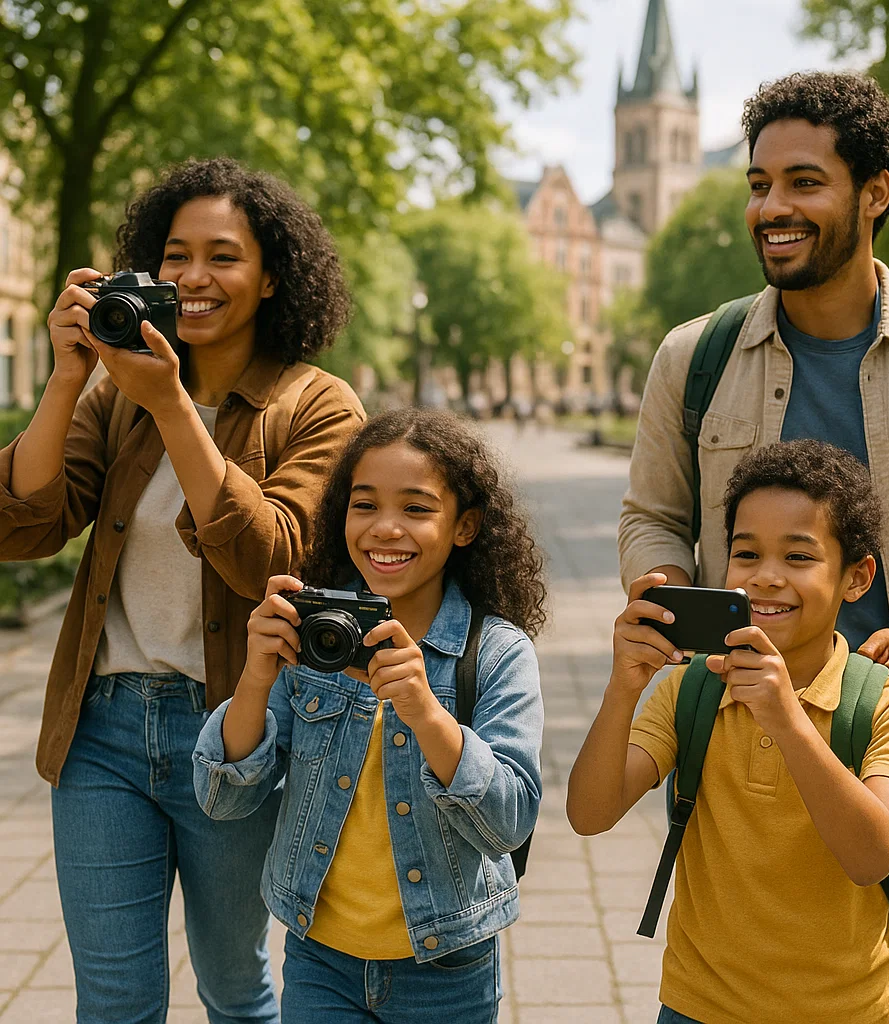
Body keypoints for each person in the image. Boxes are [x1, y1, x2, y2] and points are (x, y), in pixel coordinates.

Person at [617, 72, 889, 1021]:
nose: (773, 208)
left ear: (874, 191)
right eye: (760, 185)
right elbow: (650, 517)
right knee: (736, 965)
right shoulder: (695, 356)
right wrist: (675, 602)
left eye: (804, 182)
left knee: (883, 975)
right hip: (728, 724)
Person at [0, 157, 365, 1023]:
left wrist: (171, 405)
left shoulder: (317, 405)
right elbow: (23, 528)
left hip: (233, 733)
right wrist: (66, 375)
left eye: (223, 256)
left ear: (272, 275)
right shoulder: (112, 395)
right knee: (115, 1000)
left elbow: (269, 557)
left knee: (234, 986)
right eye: (175, 255)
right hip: (100, 731)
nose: (193, 277)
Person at [192, 408, 545, 1023]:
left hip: (447, 965)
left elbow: (510, 822)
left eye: (416, 508)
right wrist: (255, 677)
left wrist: (425, 712)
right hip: (321, 957)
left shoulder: (495, 652)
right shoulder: (314, 640)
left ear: (465, 527)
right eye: (364, 505)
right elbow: (222, 798)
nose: (385, 528)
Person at [572, 440, 889, 1023]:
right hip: (696, 1005)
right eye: (746, 554)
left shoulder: (887, 703)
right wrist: (622, 688)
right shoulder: (691, 687)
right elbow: (589, 812)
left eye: (799, 557)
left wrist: (786, 718)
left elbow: (872, 859)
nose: (765, 578)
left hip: (843, 1011)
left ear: (856, 578)